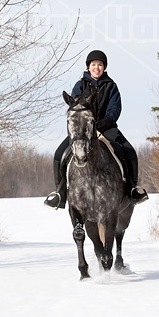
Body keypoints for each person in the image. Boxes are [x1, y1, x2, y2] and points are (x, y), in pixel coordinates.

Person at [44, 49, 149, 209]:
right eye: (93, 65)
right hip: (83, 131)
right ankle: (60, 193)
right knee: (59, 154)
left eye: (100, 65)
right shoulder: (80, 85)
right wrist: (87, 124)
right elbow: (75, 107)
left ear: (104, 67)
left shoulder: (111, 86)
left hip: (106, 128)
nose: (96, 67)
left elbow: (115, 108)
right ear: (88, 67)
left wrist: (104, 122)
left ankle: (133, 189)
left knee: (129, 152)